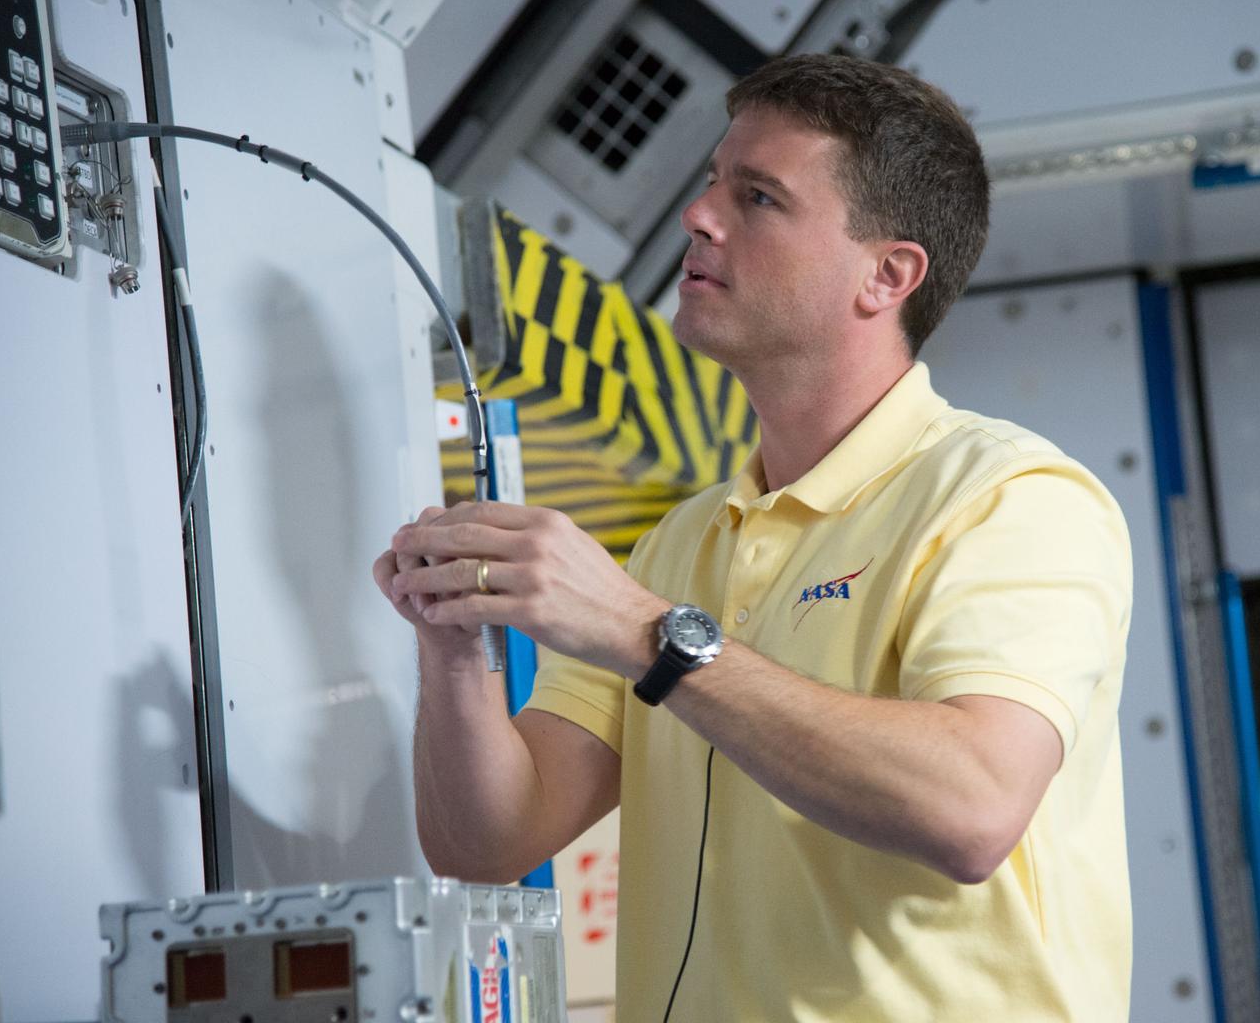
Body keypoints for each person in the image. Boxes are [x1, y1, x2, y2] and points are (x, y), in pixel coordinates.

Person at [374, 54, 1131, 1022]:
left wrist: (648, 634)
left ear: (886, 275)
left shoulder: (1007, 497)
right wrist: (455, 648)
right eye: (708, 181)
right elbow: (490, 841)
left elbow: (971, 803)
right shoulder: (682, 542)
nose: (700, 214)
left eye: (759, 197)